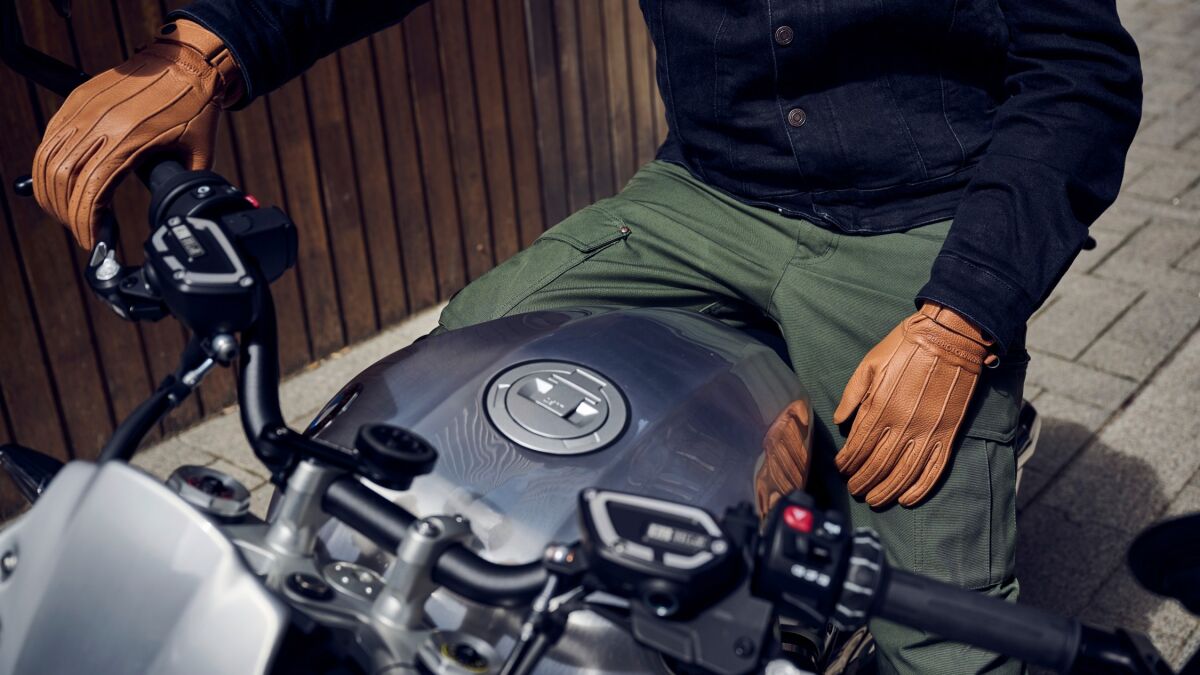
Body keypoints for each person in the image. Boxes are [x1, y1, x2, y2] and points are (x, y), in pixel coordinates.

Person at [30, 2, 1142, 672]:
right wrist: (209, 49)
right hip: (709, 191)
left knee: (949, 643)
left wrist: (964, 316)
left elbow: (1083, 72)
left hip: (918, 225)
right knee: (451, 369)